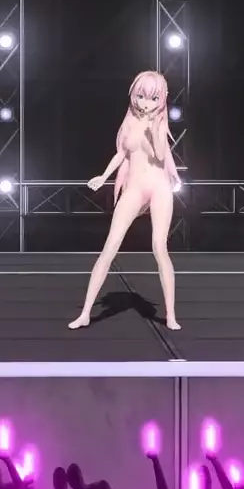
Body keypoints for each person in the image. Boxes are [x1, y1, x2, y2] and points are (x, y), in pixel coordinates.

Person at [69, 71, 182, 331]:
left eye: (153, 98)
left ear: (161, 99)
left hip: (159, 187)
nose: (145, 103)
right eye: (141, 96)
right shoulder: (129, 123)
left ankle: (171, 314)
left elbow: (161, 156)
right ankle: (85, 313)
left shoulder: (159, 125)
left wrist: (153, 131)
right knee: (109, 247)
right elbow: (121, 154)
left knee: (159, 247)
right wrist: (104, 176)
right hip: (135, 187)